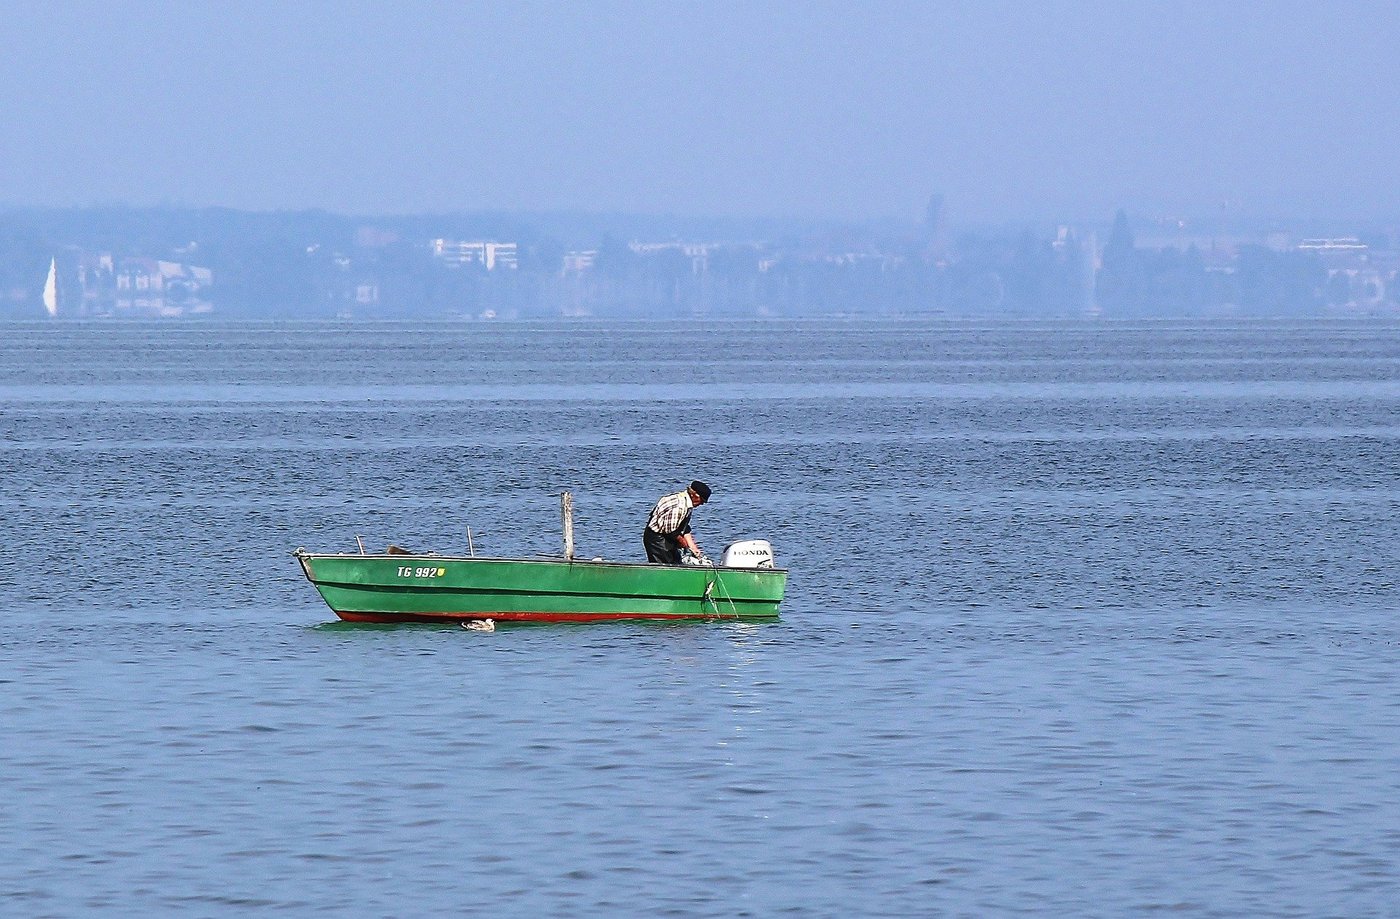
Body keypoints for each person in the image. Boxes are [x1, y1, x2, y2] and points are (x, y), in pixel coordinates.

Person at [643, 480, 711, 564]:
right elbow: (671, 531)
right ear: (695, 495)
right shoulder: (680, 506)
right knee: (664, 565)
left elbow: (684, 527)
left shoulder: (688, 503)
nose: (702, 504)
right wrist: (684, 544)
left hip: (668, 535)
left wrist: (693, 548)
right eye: (702, 501)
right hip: (656, 539)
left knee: (677, 562)